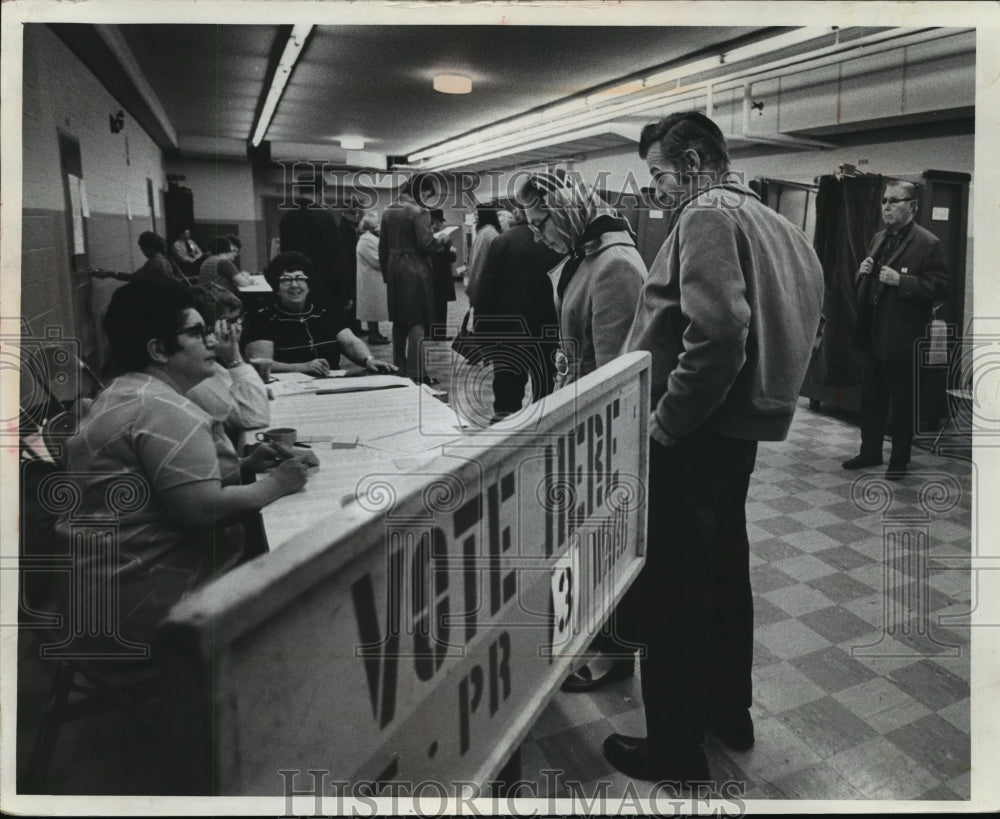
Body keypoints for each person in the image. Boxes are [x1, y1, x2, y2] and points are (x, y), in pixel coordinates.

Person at [610, 111, 824, 783]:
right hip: (739, 434)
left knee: (674, 587)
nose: (656, 191)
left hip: (694, 432)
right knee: (725, 573)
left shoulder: (707, 215)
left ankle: (674, 748)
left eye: (660, 175)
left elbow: (723, 330)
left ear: (697, 160)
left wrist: (669, 420)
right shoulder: (781, 225)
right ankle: (729, 710)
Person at [59, 280, 309, 647]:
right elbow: (202, 510)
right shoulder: (166, 410)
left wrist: (243, 464)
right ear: (159, 349)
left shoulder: (124, 390)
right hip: (149, 602)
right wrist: (277, 484)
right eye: (196, 333)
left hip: (99, 591)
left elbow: (162, 487)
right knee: (305, 589)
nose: (211, 342)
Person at [518, 170, 647, 682]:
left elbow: (613, 379)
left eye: (540, 221)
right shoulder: (587, 255)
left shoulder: (615, 264)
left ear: (569, 207)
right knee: (583, 544)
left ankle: (614, 651)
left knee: (605, 543)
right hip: (573, 423)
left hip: (598, 437)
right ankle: (594, 637)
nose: (535, 234)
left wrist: (576, 439)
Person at [843, 180, 949, 480]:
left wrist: (902, 282)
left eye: (894, 201)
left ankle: (899, 459)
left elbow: (941, 287)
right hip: (874, 332)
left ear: (912, 206)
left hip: (903, 337)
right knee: (872, 398)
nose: (886, 206)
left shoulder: (929, 243)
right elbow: (869, 282)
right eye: (884, 201)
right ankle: (870, 451)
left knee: (902, 403)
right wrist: (860, 273)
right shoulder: (878, 238)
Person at [243, 251, 396, 376]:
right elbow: (260, 363)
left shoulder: (324, 311)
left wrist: (368, 360)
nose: (294, 285)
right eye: (286, 280)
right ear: (276, 286)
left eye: (300, 278)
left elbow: (350, 342)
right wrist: (302, 367)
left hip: (331, 383)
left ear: (309, 285)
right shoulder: (262, 319)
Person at [475, 207, 564, 420]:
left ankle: (503, 439)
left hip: (508, 330)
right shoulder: (558, 242)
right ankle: (543, 436)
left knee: (506, 396)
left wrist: (482, 333)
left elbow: (486, 289)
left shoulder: (503, 241)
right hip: (548, 327)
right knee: (546, 392)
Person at [187, 283, 270, 436]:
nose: (238, 328)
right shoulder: (193, 372)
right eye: (230, 322)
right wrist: (234, 359)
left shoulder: (209, 361)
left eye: (239, 319)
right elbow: (255, 418)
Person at [378, 176, 440, 383]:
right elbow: (425, 244)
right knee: (417, 323)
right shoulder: (419, 212)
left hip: (394, 268)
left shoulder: (388, 210)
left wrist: (388, 275)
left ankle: (399, 367)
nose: (425, 199)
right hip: (415, 269)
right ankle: (417, 373)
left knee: (399, 323)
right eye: (426, 195)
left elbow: (382, 247)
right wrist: (441, 240)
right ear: (420, 191)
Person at [279, 172, 346, 312]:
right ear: (320, 191)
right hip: (322, 285)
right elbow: (336, 259)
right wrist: (344, 293)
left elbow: (284, 254)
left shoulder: (286, 218)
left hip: (295, 284)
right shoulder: (325, 218)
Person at [355, 211, 390, 345]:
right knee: (371, 309)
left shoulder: (370, 238)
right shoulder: (366, 240)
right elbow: (376, 260)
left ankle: (376, 333)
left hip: (373, 279)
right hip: (370, 280)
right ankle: (373, 335)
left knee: (374, 309)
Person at [464, 206, 503, 309]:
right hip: (484, 286)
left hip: (483, 287)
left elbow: (481, 262)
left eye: (477, 215)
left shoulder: (486, 233)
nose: (475, 219)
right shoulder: (489, 232)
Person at [428, 209, 457, 340]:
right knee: (441, 308)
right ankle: (439, 334)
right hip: (441, 276)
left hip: (428, 276)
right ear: (437, 221)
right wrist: (451, 249)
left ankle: (428, 332)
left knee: (429, 305)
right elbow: (449, 258)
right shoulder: (443, 239)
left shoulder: (423, 235)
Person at [338, 201, 364, 335]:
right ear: (345, 214)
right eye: (353, 213)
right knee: (351, 297)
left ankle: (355, 327)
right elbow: (348, 250)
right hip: (349, 266)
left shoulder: (349, 227)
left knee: (354, 297)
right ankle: (353, 327)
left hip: (351, 266)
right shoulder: (344, 229)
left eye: (357, 213)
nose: (356, 216)